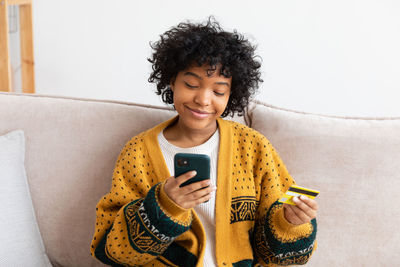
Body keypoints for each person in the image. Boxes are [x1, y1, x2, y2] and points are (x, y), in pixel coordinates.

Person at [90, 16, 318, 267]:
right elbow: (114, 250)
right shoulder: (139, 153)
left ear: (231, 94)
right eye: (191, 84)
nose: (203, 99)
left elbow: (275, 254)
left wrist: (291, 223)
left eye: (218, 91)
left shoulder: (253, 147)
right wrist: (165, 206)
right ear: (172, 81)